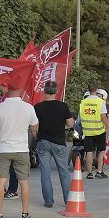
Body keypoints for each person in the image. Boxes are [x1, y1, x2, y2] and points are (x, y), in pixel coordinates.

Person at [0, 86, 39, 218]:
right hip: (21, 149)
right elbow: (34, 128)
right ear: (21, 91)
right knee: (24, 182)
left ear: (7, 91)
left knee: (1, 181)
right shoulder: (29, 107)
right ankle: (25, 214)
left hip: (3, 149)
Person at [34, 80, 74, 208]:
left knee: (45, 172)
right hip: (59, 142)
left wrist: (37, 137)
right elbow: (71, 124)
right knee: (64, 172)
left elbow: (34, 128)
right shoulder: (63, 106)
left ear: (44, 91)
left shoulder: (38, 107)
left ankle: (48, 201)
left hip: (43, 141)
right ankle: (68, 200)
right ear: (56, 91)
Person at [79, 88, 109, 179]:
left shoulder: (83, 102)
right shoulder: (101, 102)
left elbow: (80, 116)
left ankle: (89, 173)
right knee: (101, 151)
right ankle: (99, 171)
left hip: (88, 131)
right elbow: (103, 116)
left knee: (89, 152)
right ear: (96, 91)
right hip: (99, 130)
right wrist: (107, 127)